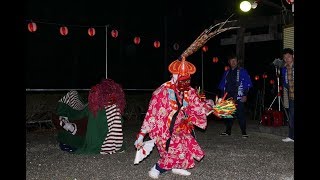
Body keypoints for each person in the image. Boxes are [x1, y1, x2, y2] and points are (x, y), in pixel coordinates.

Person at [134, 57, 215, 179]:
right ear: (173, 74)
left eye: (185, 76)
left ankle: (177, 167)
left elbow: (197, 106)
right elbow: (151, 114)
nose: (182, 78)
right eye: (179, 75)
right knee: (173, 147)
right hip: (163, 128)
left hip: (180, 125)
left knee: (185, 144)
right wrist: (141, 136)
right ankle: (158, 168)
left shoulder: (189, 91)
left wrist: (211, 105)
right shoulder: (162, 91)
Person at [51, 78, 126, 154]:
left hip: (87, 117)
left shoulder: (103, 109)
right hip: (83, 116)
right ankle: (69, 125)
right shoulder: (107, 108)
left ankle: (71, 126)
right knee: (73, 95)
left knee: (74, 97)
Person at [218, 54, 252, 138]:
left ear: (237, 62)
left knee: (241, 115)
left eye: (234, 60)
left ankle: (244, 132)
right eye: (231, 60)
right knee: (228, 115)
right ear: (229, 62)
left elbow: (247, 84)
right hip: (228, 96)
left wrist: (245, 95)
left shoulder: (242, 71)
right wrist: (222, 97)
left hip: (238, 96)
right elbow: (223, 85)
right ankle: (227, 131)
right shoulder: (227, 72)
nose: (233, 62)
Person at [281, 48, 294, 142]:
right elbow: (285, 83)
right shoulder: (284, 69)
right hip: (291, 96)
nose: (287, 59)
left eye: (288, 57)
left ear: (293, 56)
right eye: (285, 57)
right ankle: (291, 136)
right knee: (291, 116)